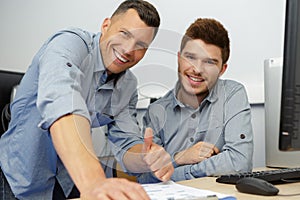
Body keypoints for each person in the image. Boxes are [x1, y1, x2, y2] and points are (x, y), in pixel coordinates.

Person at [0, 0, 174, 199]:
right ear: (106, 25)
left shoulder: (128, 86)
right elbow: (64, 106)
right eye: (124, 34)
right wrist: (94, 182)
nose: (128, 49)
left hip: (66, 183)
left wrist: (146, 158)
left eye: (141, 45)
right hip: (20, 178)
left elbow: (125, 145)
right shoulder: (69, 44)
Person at [139, 18, 253, 183]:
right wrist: (180, 158)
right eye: (190, 57)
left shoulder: (232, 94)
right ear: (179, 58)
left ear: (222, 69)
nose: (197, 69)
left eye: (209, 62)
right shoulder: (156, 112)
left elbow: (240, 163)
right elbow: (145, 178)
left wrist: (177, 170)